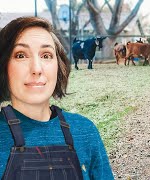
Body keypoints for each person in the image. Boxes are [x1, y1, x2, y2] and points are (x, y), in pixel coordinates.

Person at [0, 16, 114, 180]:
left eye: (46, 55)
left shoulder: (85, 131)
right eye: (20, 55)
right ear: (3, 67)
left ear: (58, 67)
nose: (37, 69)